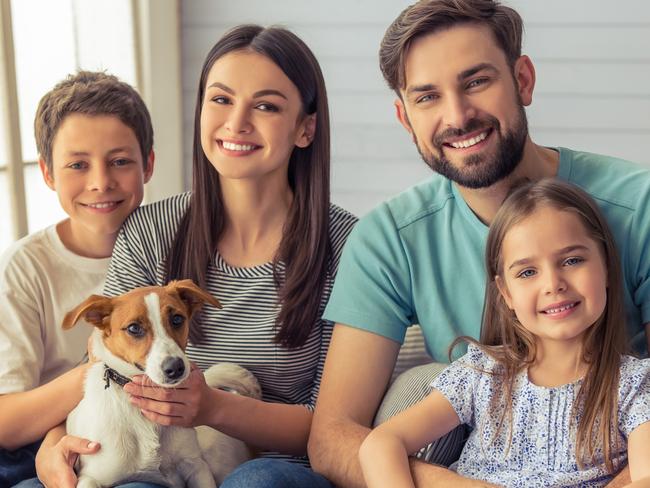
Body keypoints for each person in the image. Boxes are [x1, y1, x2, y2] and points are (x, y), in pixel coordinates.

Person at [309, 1, 650, 486]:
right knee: (419, 387)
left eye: (476, 82)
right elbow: (333, 438)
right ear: (405, 118)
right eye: (427, 97)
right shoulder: (389, 238)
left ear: (523, 81)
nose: (458, 115)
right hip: (470, 467)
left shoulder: (640, 206)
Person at [31, 24, 356, 488]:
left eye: (265, 105)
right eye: (221, 99)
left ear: (305, 128)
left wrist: (216, 408)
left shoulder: (347, 246)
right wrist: (54, 441)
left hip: (280, 469)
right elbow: (105, 369)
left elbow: (339, 427)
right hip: (156, 466)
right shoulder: (147, 232)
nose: (237, 122)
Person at [359, 179, 650, 488]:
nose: (553, 284)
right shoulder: (482, 374)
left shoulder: (633, 384)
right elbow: (382, 443)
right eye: (527, 272)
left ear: (605, 266)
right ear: (506, 293)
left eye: (572, 260)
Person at [0, 71, 155, 487]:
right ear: (48, 172)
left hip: (148, 437)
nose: (100, 182)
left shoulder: (164, 249)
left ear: (149, 163)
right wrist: (101, 373)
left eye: (120, 161)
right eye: (77, 165)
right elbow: (6, 421)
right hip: (37, 445)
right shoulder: (24, 267)